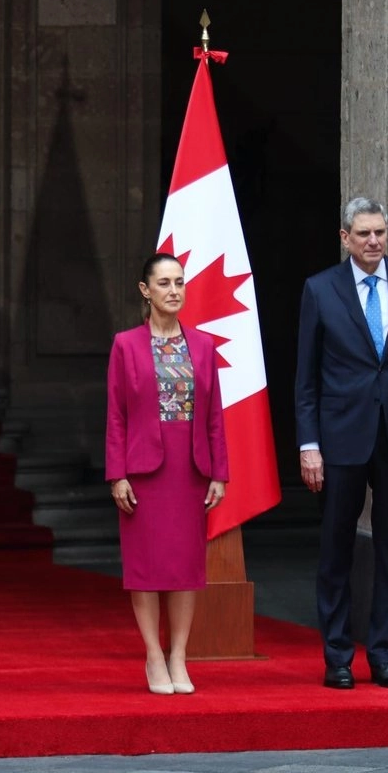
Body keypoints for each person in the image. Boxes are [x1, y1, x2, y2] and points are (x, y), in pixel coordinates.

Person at [295, 197, 388, 690]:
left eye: (380, 232)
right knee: (336, 549)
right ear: (345, 237)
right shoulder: (320, 290)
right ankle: (338, 655)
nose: (374, 241)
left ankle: (384, 654)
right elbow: (307, 379)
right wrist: (308, 445)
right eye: (364, 234)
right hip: (339, 440)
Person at [105, 252, 229, 695]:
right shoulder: (125, 344)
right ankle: (153, 657)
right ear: (146, 291)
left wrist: (220, 472)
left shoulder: (202, 345)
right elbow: (116, 415)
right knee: (146, 567)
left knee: (184, 567)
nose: (174, 290)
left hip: (190, 469)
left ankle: (179, 655)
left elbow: (214, 415)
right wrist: (116, 474)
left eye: (179, 282)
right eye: (164, 283)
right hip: (142, 470)